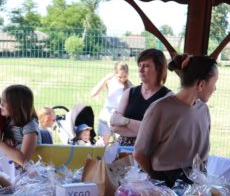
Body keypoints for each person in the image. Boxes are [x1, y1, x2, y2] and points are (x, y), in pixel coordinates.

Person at [133, 54, 216, 187]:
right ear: (201, 84)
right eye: (214, 83)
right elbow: (139, 154)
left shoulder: (203, 109)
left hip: (197, 181)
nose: (215, 88)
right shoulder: (160, 109)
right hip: (166, 183)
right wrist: (157, 179)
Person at [110, 48, 171, 147]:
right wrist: (148, 132)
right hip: (124, 153)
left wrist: (125, 121)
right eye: (139, 65)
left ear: (159, 69)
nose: (141, 70)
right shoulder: (129, 92)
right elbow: (114, 126)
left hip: (153, 154)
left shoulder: (168, 97)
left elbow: (162, 132)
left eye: (146, 66)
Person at [0, 84, 39, 176]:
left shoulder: (30, 126)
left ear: (17, 105)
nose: (0, 104)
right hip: (11, 170)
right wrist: (5, 142)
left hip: (27, 174)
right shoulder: (8, 120)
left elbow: (23, 160)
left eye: (5, 102)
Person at [90, 61, 132, 144]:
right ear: (115, 74)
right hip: (106, 116)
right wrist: (105, 79)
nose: (122, 79)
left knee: (119, 143)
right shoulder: (110, 82)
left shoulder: (130, 86)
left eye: (125, 76)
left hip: (119, 117)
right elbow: (93, 93)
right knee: (102, 143)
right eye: (120, 77)